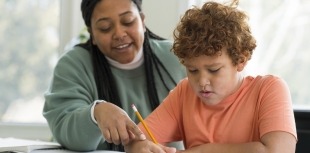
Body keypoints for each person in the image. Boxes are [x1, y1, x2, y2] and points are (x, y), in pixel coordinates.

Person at [124, 0, 297, 153]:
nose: (202, 82)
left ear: (241, 60)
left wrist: (203, 151)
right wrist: (139, 147)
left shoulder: (269, 89)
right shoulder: (184, 93)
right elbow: (136, 141)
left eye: (214, 70)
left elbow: (279, 150)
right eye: (192, 70)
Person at [43, 0, 186, 152]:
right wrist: (95, 113)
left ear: (142, 21)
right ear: (91, 34)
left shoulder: (179, 57)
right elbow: (64, 128)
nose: (119, 34)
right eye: (105, 28)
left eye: (128, 21)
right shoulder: (73, 65)